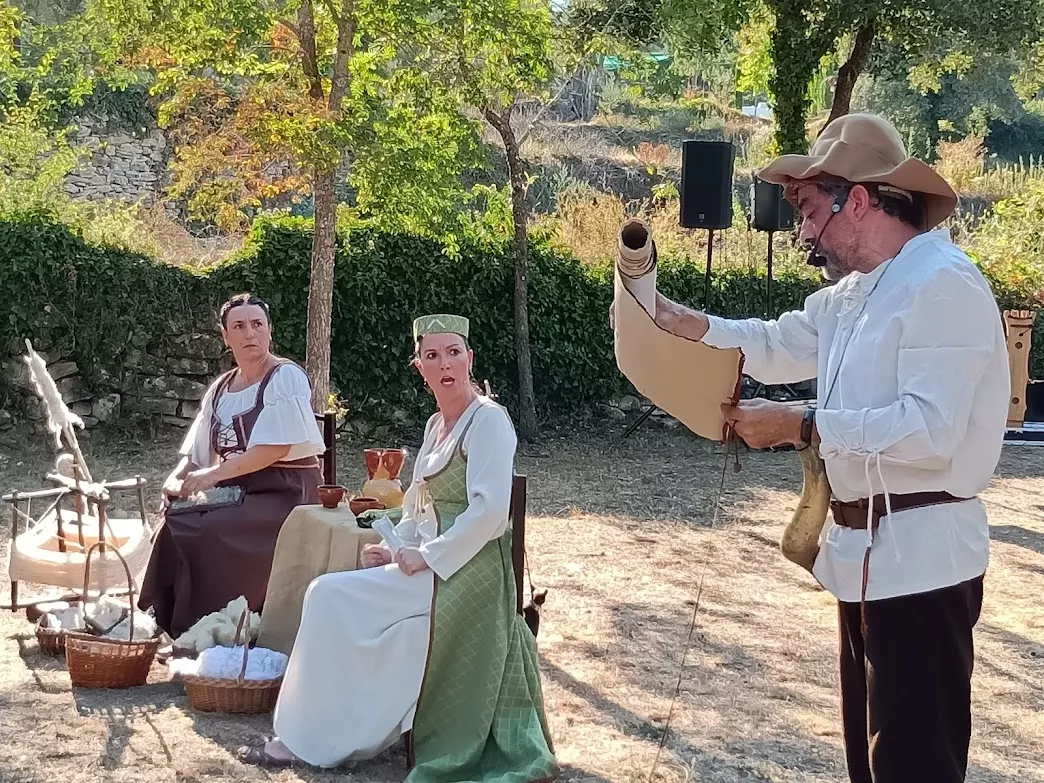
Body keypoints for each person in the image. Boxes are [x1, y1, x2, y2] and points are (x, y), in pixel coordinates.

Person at [618, 114, 1009, 782]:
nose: (801, 231)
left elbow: (929, 428)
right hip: (868, 560)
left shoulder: (942, 281)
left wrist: (802, 423)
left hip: (923, 564)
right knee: (876, 760)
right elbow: (770, 343)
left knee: (916, 763)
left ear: (856, 199)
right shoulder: (855, 294)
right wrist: (673, 319)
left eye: (806, 210)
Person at [237, 314, 558, 783]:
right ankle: (312, 734)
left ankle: (313, 739)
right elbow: (417, 509)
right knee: (326, 595)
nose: (444, 364)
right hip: (433, 562)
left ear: (469, 359)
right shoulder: (435, 425)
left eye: (453, 353)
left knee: (330, 596)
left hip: (471, 575)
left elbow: (489, 514)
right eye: (432, 355)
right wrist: (395, 548)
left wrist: (428, 556)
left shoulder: (489, 421)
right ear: (419, 367)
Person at [138, 292, 325, 640]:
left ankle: (215, 626)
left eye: (257, 324)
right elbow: (196, 452)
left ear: (270, 330)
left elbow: (274, 448)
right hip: (239, 489)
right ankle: (167, 624)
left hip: (286, 493)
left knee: (208, 530)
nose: (249, 333)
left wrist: (212, 476)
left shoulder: (285, 378)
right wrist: (175, 479)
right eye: (239, 326)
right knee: (175, 521)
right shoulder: (221, 388)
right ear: (226, 337)